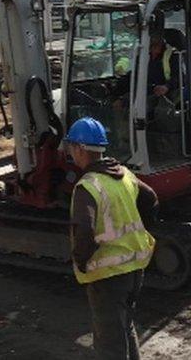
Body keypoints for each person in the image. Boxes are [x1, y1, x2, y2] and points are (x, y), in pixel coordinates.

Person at [67, 117, 158, 360]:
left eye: (71, 147)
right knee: (125, 326)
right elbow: (150, 198)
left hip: (108, 275)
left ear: (80, 148)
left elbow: (83, 231)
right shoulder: (125, 174)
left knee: (109, 343)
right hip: (135, 266)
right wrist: (142, 230)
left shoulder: (87, 186)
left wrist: (81, 261)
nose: (70, 153)